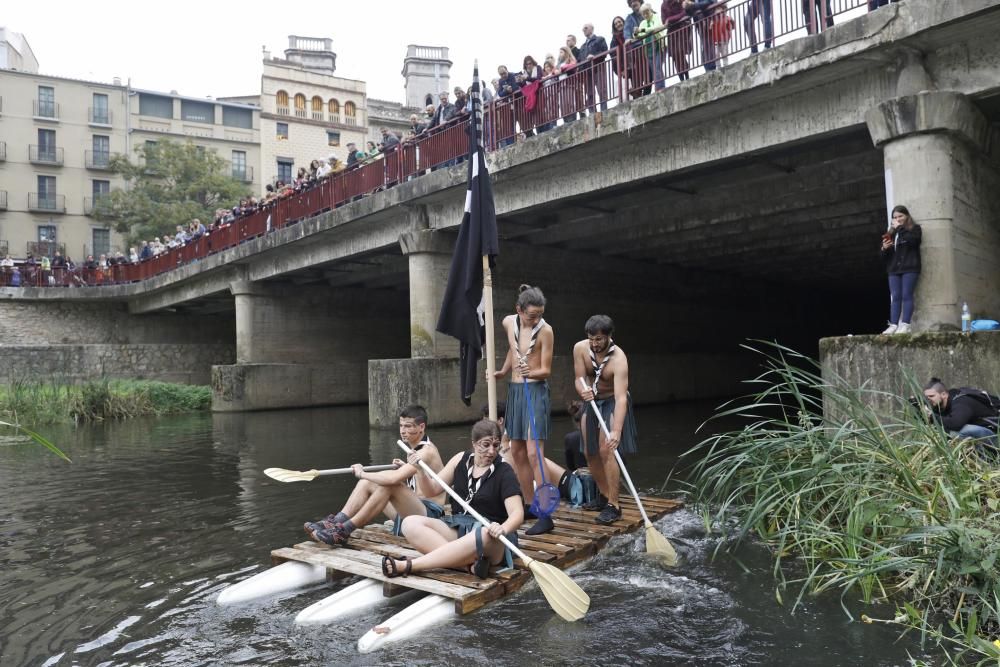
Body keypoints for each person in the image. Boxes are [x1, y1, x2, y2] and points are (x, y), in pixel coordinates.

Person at [384, 419, 523, 580]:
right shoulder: (460, 460)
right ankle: (466, 566)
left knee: (483, 533)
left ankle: (410, 565)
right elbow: (432, 490)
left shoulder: (505, 471)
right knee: (409, 523)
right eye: (486, 445)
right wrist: (420, 470)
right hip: (459, 526)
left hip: (492, 536)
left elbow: (517, 513)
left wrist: (503, 528)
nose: (491, 451)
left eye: (496, 445)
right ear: (474, 443)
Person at [302, 405, 446, 546]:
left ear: (421, 427)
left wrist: (362, 473)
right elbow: (417, 482)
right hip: (411, 512)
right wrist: (405, 468)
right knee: (367, 483)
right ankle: (336, 522)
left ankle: (343, 531)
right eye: (401, 426)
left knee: (388, 486)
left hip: (430, 516)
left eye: (408, 426)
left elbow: (393, 479)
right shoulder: (414, 451)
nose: (403, 431)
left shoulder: (426, 451)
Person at [494, 285, 555, 534]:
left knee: (534, 453)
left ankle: (546, 514)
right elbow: (513, 347)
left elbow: (546, 369)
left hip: (535, 391)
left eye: (539, 314)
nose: (536, 319)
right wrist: (503, 371)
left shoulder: (546, 331)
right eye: (532, 315)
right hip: (516, 392)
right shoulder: (509, 322)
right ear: (519, 310)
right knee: (516, 450)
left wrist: (534, 371)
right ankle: (530, 504)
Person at [573, 314, 638, 525]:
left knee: (606, 449)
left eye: (599, 339)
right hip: (591, 400)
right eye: (591, 339)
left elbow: (621, 399)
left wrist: (616, 431)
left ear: (609, 336)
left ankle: (614, 505)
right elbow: (579, 378)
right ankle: (603, 495)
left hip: (612, 401)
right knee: (588, 450)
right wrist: (583, 390)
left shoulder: (618, 359)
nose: (595, 344)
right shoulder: (580, 349)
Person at [923, 378, 998, 452]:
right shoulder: (941, 405)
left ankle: (984, 456)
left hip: (993, 435)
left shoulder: (961, 402)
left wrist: (932, 417)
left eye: (932, 396)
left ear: (943, 394)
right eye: (927, 397)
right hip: (979, 433)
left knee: (962, 431)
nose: (929, 399)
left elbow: (956, 424)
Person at [880, 205, 921, 334]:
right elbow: (884, 257)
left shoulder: (915, 229)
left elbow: (914, 241)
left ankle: (905, 325)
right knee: (895, 296)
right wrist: (884, 249)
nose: (897, 219)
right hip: (894, 269)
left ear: (907, 216)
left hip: (910, 267)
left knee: (906, 295)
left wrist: (900, 227)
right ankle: (893, 325)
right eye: (895, 217)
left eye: (900, 216)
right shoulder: (891, 233)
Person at [578, 23, 609, 113]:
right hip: (587, 73)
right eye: (583, 29)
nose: (584, 30)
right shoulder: (583, 47)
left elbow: (605, 52)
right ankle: (592, 112)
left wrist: (594, 56)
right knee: (590, 94)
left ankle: (604, 110)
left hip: (598, 68)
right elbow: (580, 60)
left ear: (592, 28)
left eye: (586, 28)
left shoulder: (600, 39)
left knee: (602, 90)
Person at [635, 3, 666, 91]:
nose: (645, 15)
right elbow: (638, 35)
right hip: (648, 49)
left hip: (657, 45)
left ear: (650, 10)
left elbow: (654, 28)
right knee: (654, 69)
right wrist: (636, 32)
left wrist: (642, 30)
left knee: (657, 68)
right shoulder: (642, 23)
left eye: (647, 12)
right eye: (643, 13)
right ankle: (659, 87)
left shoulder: (656, 17)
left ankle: (660, 88)